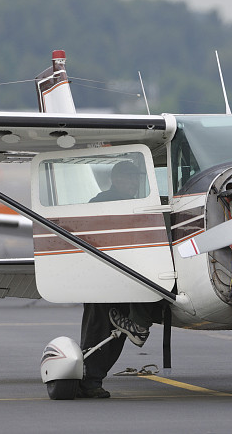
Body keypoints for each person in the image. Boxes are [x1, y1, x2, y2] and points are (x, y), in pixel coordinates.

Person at [78, 161, 159, 398]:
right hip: (104, 279)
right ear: (116, 179)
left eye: (136, 178)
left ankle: (92, 379)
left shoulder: (139, 202)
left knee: (115, 331)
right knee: (99, 328)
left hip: (125, 279)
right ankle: (89, 380)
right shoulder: (101, 203)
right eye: (128, 178)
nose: (134, 183)